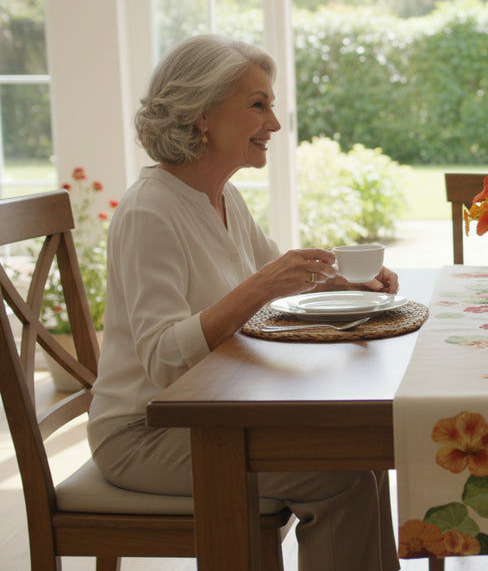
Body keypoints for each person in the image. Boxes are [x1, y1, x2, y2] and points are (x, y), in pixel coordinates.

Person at [87, 34, 400, 571]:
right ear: (202, 115)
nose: (274, 124)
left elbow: (280, 290)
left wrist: (345, 285)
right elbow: (162, 359)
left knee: (361, 458)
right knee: (341, 476)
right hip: (144, 433)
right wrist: (262, 284)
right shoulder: (150, 212)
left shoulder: (222, 195)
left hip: (213, 417)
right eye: (259, 105)